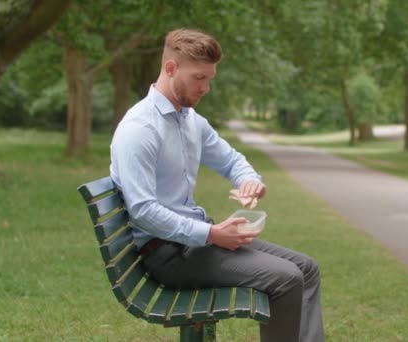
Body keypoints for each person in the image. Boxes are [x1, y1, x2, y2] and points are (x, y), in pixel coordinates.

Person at [110, 28, 324, 342]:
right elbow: (143, 212)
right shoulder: (139, 129)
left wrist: (249, 180)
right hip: (167, 256)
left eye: (210, 78)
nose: (207, 87)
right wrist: (211, 234)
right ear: (171, 69)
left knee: (306, 268)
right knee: (287, 278)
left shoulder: (190, 120)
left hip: (195, 244)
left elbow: (230, 159)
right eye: (199, 78)